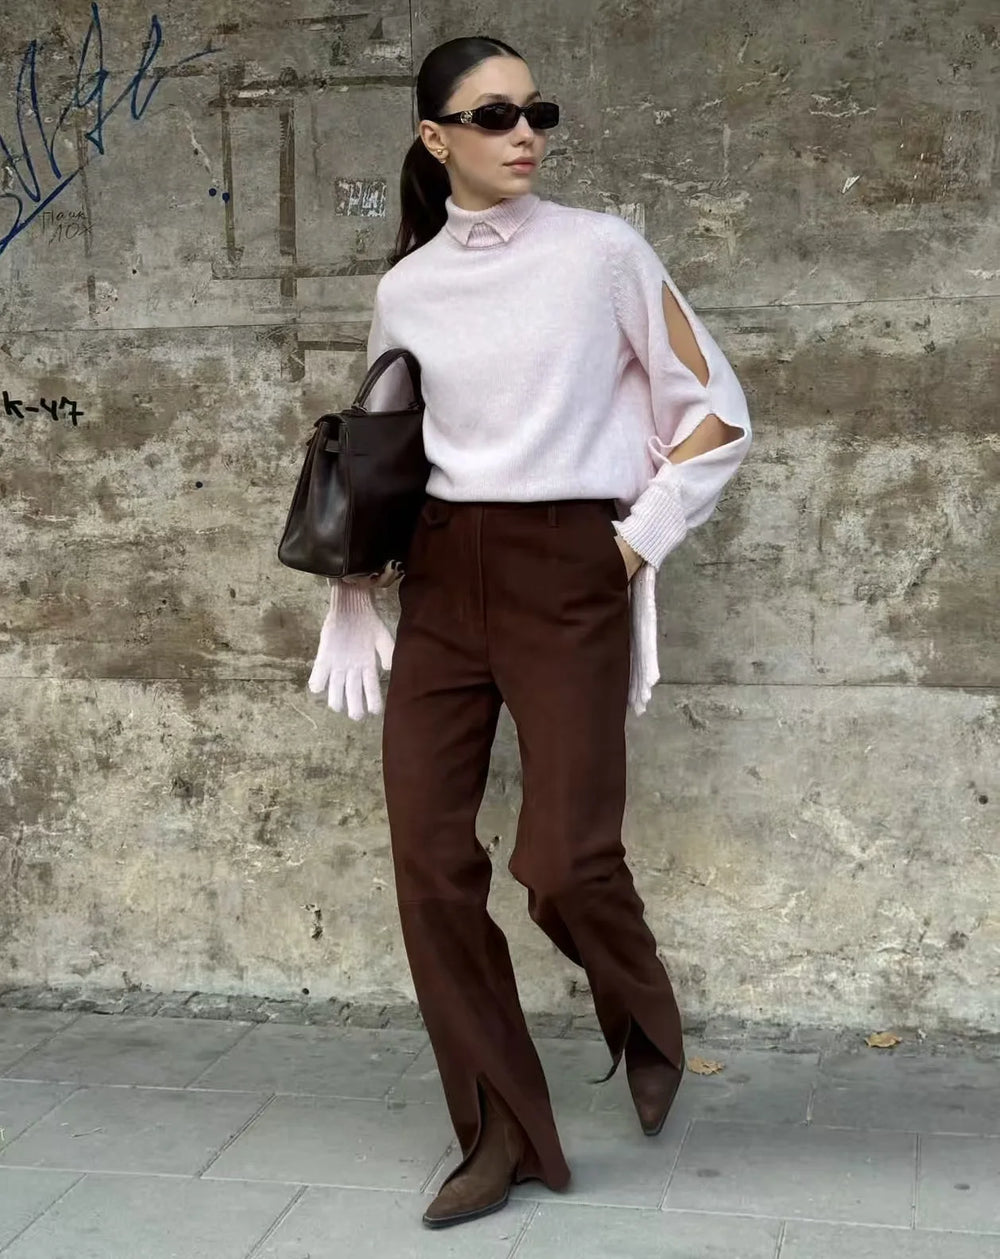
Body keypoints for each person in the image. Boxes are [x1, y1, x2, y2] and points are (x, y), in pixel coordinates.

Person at [305, 34, 752, 1230]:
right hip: (444, 579)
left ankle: (639, 996)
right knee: (427, 867)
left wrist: (627, 542)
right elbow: (383, 447)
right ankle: (501, 1131)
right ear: (434, 137)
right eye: (492, 115)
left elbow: (715, 413)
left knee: (560, 858)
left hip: (570, 566)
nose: (523, 134)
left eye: (535, 110)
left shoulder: (602, 251)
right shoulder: (407, 288)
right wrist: (354, 587)